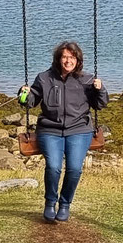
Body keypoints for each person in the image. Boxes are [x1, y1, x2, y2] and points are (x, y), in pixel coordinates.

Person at [17, 40, 107, 223]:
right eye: (65, 57)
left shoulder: (87, 80)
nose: (68, 61)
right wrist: (24, 94)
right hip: (50, 129)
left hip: (79, 129)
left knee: (74, 168)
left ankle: (65, 204)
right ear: (58, 59)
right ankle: (50, 202)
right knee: (53, 167)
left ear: (78, 60)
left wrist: (100, 89)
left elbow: (100, 104)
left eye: (72, 57)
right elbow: (32, 101)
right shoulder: (44, 78)